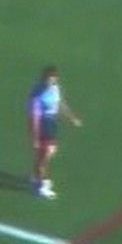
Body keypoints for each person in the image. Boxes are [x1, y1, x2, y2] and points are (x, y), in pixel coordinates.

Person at [27, 65, 82, 199]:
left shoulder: (55, 88)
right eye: (48, 78)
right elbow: (34, 117)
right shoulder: (36, 94)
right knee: (45, 155)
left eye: (52, 78)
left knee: (47, 154)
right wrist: (35, 138)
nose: (50, 81)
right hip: (43, 124)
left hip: (52, 123)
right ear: (43, 78)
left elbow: (61, 104)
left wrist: (72, 118)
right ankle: (43, 185)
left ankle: (35, 176)